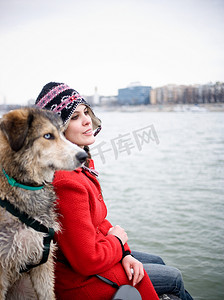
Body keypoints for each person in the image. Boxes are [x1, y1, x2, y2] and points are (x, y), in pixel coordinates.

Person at [35, 82, 193, 300]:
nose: (87, 120)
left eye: (86, 112)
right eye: (74, 117)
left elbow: (97, 223)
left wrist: (125, 252)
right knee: (173, 279)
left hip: (97, 255)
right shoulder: (66, 181)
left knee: (157, 262)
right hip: (81, 282)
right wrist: (118, 243)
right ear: (58, 130)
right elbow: (86, 260)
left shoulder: (79, 166)